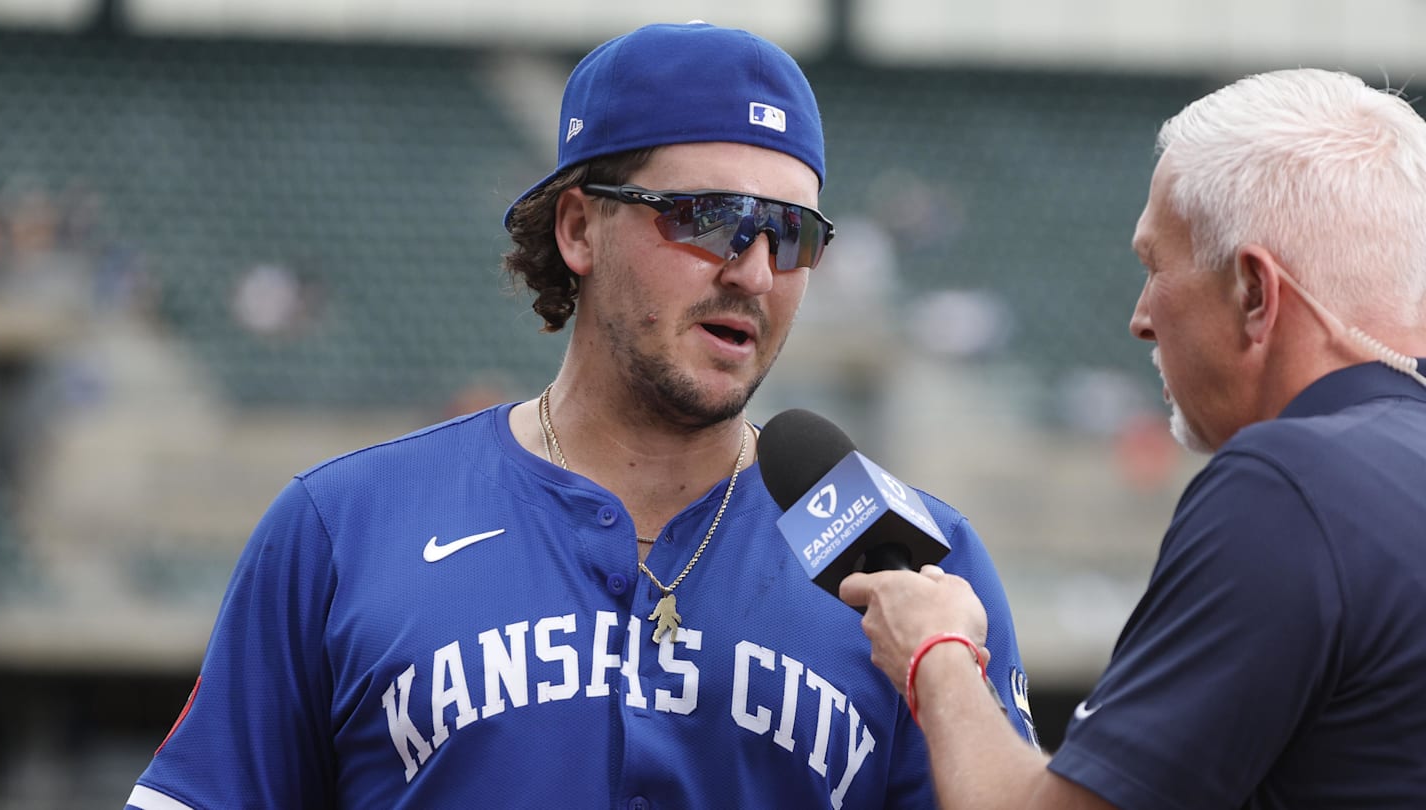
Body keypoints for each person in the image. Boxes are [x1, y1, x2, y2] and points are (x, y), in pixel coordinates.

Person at [125, 21, 1036, 810]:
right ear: (576, 229)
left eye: (791, 234)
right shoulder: (342, 528)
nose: (754, 273)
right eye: (711, 218)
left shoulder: (915, 561)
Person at [840, 67, 1426, 809]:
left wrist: (935, 652)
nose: (1141, 317)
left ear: (1254, 291)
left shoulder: (1289, 482)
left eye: (1154, 267)